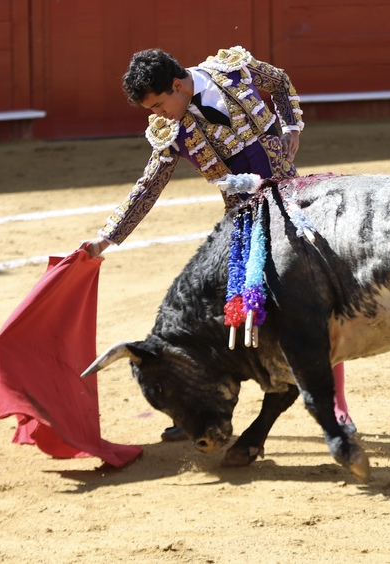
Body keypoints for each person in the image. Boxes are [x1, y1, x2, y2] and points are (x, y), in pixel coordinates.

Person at [79, 46, 355, 441]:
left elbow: (279, 81)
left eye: (158, 104)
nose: (158, 115)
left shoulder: (233, 70)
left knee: (314, 305)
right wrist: (107, 237)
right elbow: (149, 185)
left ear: (178, 86)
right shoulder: (171, 132)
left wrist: (291, 126)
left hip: (292, 209)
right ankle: (197, 406)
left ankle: (336, 405)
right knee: (226, 316)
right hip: (243, 223)